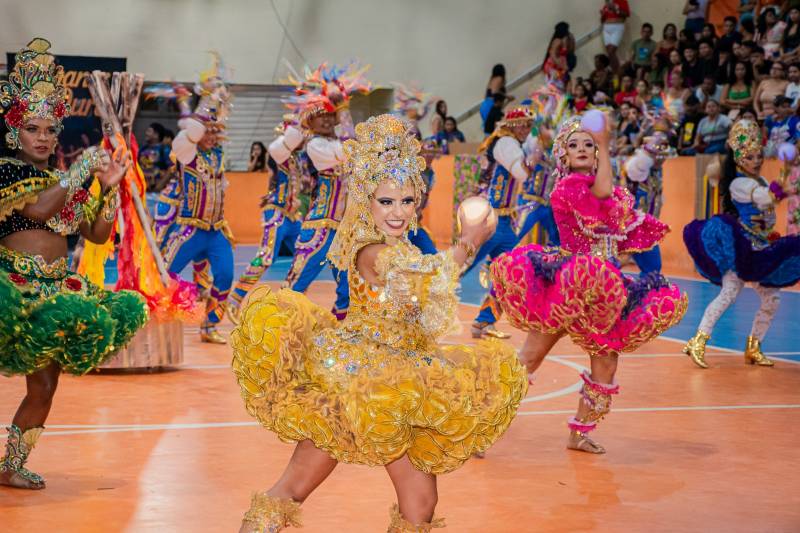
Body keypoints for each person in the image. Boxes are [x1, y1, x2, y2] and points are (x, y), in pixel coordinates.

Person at [231, 114, 527, 532]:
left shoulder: (404, 246)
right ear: (366, 201)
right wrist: (468, 242)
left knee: (421, 503)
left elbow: (423, 303)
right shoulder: (368, 249)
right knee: (292, 488)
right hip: (354, 385)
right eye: (386, 201)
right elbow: (420, 278)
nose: (398, 211)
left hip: (402, 384)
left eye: (406, 200)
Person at [0, 38, 148, 490]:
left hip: (53, 296)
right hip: (10, 291)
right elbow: (39, 210)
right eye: (32, 128)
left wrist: (109, 188)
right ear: (14, 132)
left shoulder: (60, 180)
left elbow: (97, 233)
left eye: (50, 129)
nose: (43, 137)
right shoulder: (7, 170)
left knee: (44, 388)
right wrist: (80, 170)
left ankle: (11, 465)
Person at [490, 115, 686, 454]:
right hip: (568, 285)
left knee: (606, 363)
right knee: (531, 356)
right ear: (563, 156)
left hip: (604, 292)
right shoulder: (567, 188)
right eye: (573, 145)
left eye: (589, 144)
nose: (582, 149)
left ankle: (579, 433)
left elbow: (617, 219)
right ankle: (481, 422)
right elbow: (600, 203)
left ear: (596, 154)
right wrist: (606, 144)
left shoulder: (610, 191)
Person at [683, 119, 800, 368]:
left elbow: (773, 198)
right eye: (750, 157)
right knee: (729, 293)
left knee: (772, 299)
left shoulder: (760, 181)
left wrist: (789, 184)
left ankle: (754, 347)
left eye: (759, 156)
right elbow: (767, 199)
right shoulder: (739, 184)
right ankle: (697, 341)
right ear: (738, 160)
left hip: (761, 249)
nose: (757, 161)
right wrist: (786, 169)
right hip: (741, 250)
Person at [283, 69, 366, 321]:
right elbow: (350, 147)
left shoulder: (337, 142)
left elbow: (355, 149)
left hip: (345, 227)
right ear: (310, 122)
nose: (328, 121)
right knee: (299, 278)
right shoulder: (316, 145)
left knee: (348, 284)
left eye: (331, 115)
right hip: (321, 225)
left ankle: (341, 328)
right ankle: (281, 325)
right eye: (321, 116)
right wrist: (343, 109)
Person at [159, 69, 234, 344]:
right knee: (164, 276)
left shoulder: (218, 154)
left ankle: (209, 326)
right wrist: (207, 100)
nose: (211, 135)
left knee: (225, 276)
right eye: (207, 131)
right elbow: (190, 132)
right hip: (189, 230)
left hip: (216, 232)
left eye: (215, 131)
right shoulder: (186, 150)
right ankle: (155, 324)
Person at [466, 107, 535, 339]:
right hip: (486, 219)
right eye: (523, 124)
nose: (527, 129)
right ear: (512, 125)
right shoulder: (506, 143)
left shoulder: (513, 143)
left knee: (508, 274)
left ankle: (484, 322)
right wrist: (536, 157)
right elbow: (523, 173)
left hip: (503, 222)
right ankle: (418, 311)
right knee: (459, 267)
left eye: (529, 125)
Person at [227, 123, 303, 323]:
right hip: (276, 213)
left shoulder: (299, 158)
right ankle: (235, 299)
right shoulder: (278, 153)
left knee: (305, 257)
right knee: (265, 257)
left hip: (293, 216)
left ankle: (287, 304)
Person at [408, 139, 441, 255]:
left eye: (432, 153)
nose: (429, 156)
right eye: (426, 153)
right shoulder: (410, 170)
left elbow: (425, 199)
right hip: (403, 223)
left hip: (415, 223)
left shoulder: (431, 174)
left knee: (432, 254)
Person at [600, 0, 630, 73]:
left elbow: (627, 14)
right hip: (606, 28)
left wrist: (615, 8)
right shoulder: (606, 4)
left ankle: (617, 73)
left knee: (611, 52)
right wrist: (602, 15)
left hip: (617, 27)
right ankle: (615, 73)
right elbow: (602, 20)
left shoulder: (622, 1)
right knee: (609, 53)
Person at [543, 22, 571, 88]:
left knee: (557, 87)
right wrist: (562, 65)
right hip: (553, 66)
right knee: (555, 87)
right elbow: (552, 54)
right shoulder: (557, 41)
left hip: (557, 67)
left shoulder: (562, 40)